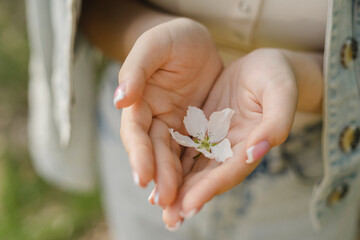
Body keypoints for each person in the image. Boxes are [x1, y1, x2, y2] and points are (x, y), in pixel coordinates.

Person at [27, 0, 360, 239]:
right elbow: (79, 11)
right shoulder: (173, 126)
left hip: (316, 170)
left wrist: (300, 79)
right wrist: (152, 48)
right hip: (146, 120)